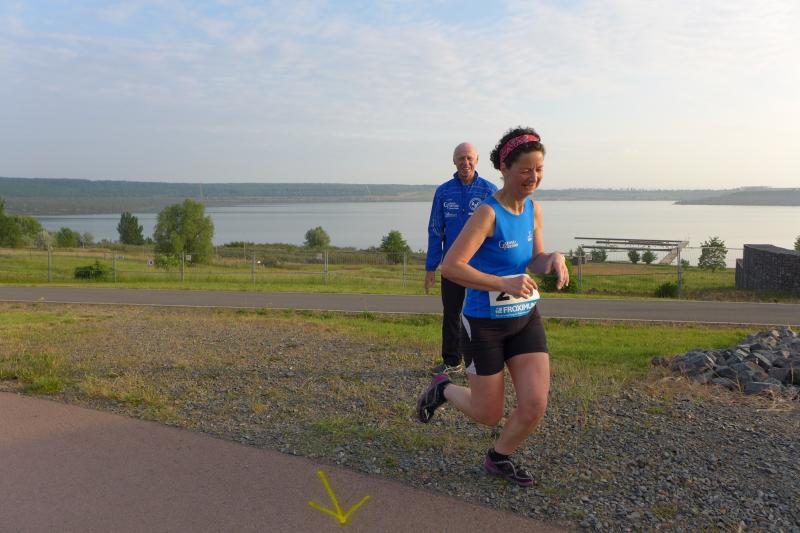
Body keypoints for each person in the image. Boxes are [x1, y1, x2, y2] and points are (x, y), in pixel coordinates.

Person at [416, 127, 569, 487]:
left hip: (524, 319)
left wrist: (554, 258)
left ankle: (499, 456)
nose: (534, 178)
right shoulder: (488, 213)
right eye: (525, 170)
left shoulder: (533, 210)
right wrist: (503, 283)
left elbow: (533, 259)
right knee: (488, 413)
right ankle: (443, 389)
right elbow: (452, 267)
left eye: (539, 170)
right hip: (484, 323)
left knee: (535, 403)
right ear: (504, 168)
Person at [425, 142, 498, 375]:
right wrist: (430, 268)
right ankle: (452, 361)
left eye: (469, 158)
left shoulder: (489, 191)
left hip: (481, 266)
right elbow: (435, 230)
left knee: (482, 314)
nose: (465, 163)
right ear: (454, 161)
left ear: (477, 160)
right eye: (460, 158)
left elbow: (499, 229)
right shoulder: (443, 192)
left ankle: (485, 362)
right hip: (452, 266)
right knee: (451, 314)